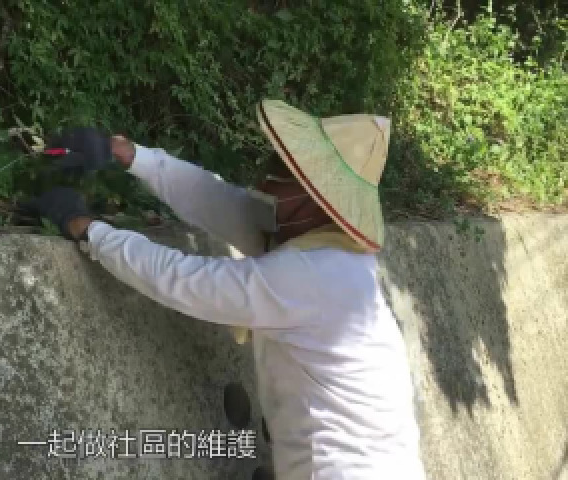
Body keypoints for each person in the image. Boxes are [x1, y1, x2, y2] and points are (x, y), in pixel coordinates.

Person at [23, 99, 426, 479]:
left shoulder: (313, 275)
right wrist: (128, 154)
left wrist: (88, 229)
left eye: (284, 169)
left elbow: (184, 280)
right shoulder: (317, 241)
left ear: (316, 196)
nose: (266, 176)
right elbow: (218, 200)